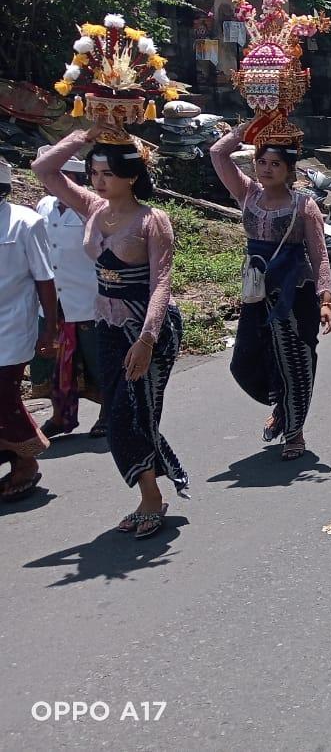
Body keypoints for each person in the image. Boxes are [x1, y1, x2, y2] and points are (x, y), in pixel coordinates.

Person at [35, 130, 187, 535]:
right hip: (107, 325)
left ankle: (151, 498)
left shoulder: (153, 221)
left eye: (107, 172)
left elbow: (161, 283)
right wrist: (86, 133)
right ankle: (151, 489)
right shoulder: (91, 207)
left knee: (131, 414)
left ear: (131, 176)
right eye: (93, 171)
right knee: (121, 414)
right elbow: (43, 168)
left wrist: (147, 340)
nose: (97, 180)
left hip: (149, 329)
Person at [211, 122, 331, 461]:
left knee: (296, 361)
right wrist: (248, 128)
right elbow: (217, 153)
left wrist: (326, 299)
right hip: (256, 291)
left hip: (295, 294)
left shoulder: (303, 206)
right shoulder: (247, 193)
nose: (266, 169)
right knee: (247, 360)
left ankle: (295, 432)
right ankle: (281, 404)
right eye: (262, 162)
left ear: (289, 169)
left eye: (275, 164)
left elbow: (318, 253)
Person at [33, 147, 105, 438]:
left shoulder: (92, 208)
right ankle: (61, 415)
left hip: (87, 297)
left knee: (95, 359)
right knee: (52, 360)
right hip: (54, 299)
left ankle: (108, 412)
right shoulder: (44, 206)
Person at [0, 155, 58, 502]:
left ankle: (27, 459)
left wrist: (49, 329)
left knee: (4, 395)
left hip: (11, 327)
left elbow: (44, 279)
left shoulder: (26, 222)